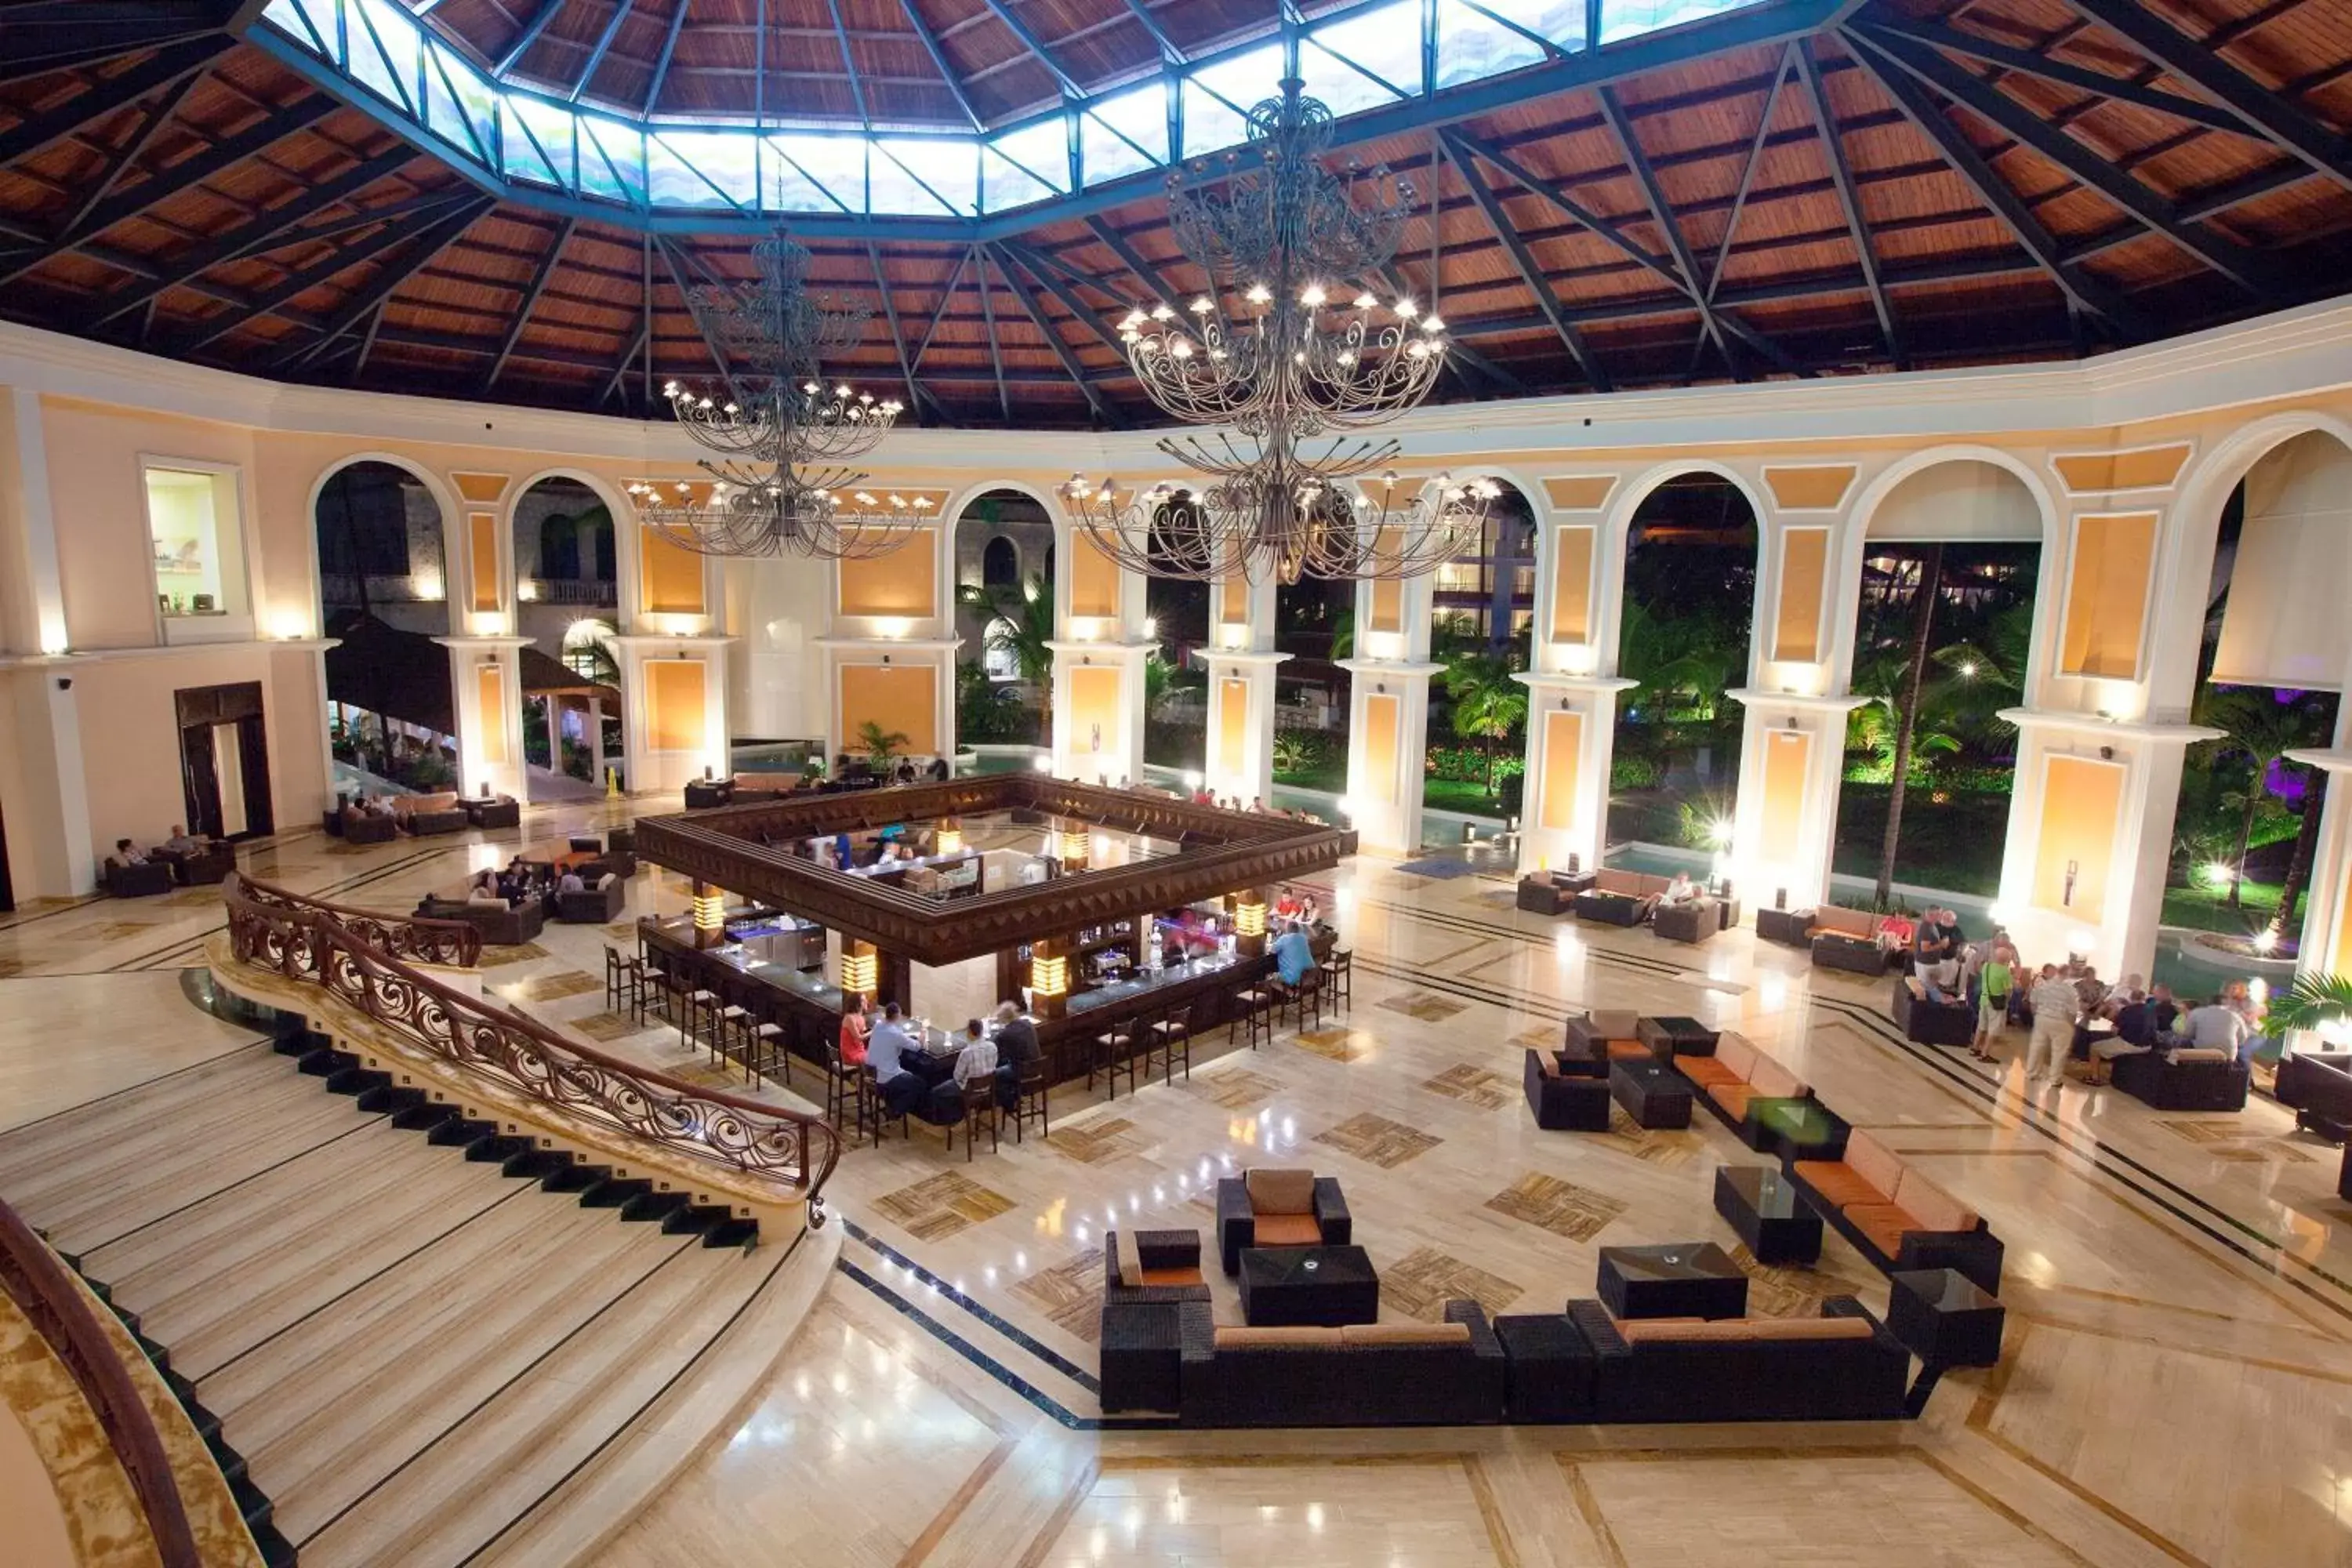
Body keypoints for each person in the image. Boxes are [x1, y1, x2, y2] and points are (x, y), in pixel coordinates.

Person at [2025, 963, 2080, 1093]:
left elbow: (2033, 1003)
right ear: (2068, 974)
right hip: (2061, 1021)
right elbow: (2073, 1011)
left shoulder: (2043, 985)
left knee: (2037, 1046)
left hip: (2042, 1018)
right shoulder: (2070, 989)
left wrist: (2037, 1016)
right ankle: (2055, 1079)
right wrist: (2071, 1027)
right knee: (2059, 1051)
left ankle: (2031, 1073)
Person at [865, 1004, 926, 1118]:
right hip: (886, 1077)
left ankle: (892, 1102)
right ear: (897, 1016)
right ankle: (895, 1110)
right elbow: (917, 1046)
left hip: (870, 1072)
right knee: (920, 1083)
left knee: (908, 1077)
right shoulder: (896, 1034)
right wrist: (923, 1030)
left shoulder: (878, 1025)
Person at [1969, 940, 2015, 1062]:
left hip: (1984, 999)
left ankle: (1975, 1048)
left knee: (1981, 1025)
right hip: (1996, 1002)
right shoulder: (2005, 972)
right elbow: (2008, 990)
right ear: (2007, 960)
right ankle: (1985, 1054)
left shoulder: (1986, 967)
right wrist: (2007, 1001)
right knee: (1993, 1029)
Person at [2181, 995, 2249, 1061]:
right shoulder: (2236, 1016)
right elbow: (2243, 1038)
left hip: (2201, 1054)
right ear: (2227, 1005)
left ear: (2208, 1002)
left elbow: (2187, 1034)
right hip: (2228, 1057)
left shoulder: (2197, 1012)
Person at [952, 1018, 999, 1093]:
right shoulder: (993, 1046)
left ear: (969, 1032)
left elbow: (957, 1077)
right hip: (988, 1085)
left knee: (936, 1092)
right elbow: (995, 1064)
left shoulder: (966, 1053)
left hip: (969, 1089)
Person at [1272, 916, 1318, 991]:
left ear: (1287, 929)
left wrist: (1276, 941)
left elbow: (1273, 950)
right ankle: (1299, 992)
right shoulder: (1303, 937)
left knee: (1270, 979)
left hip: (1293, 976)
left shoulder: (1284, 939)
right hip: (1310, 972)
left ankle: (1291, 994)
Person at [838, 993, 871, 1065]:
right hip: (851, 1053)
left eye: (865, 999)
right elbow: (858, 1038)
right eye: (863, 1000)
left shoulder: (861, 1017)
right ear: (856, 1004)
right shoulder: (849, 1018)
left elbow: (864, 1033)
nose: (866, 1001)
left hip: (859, 1050)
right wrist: (872, 1032)